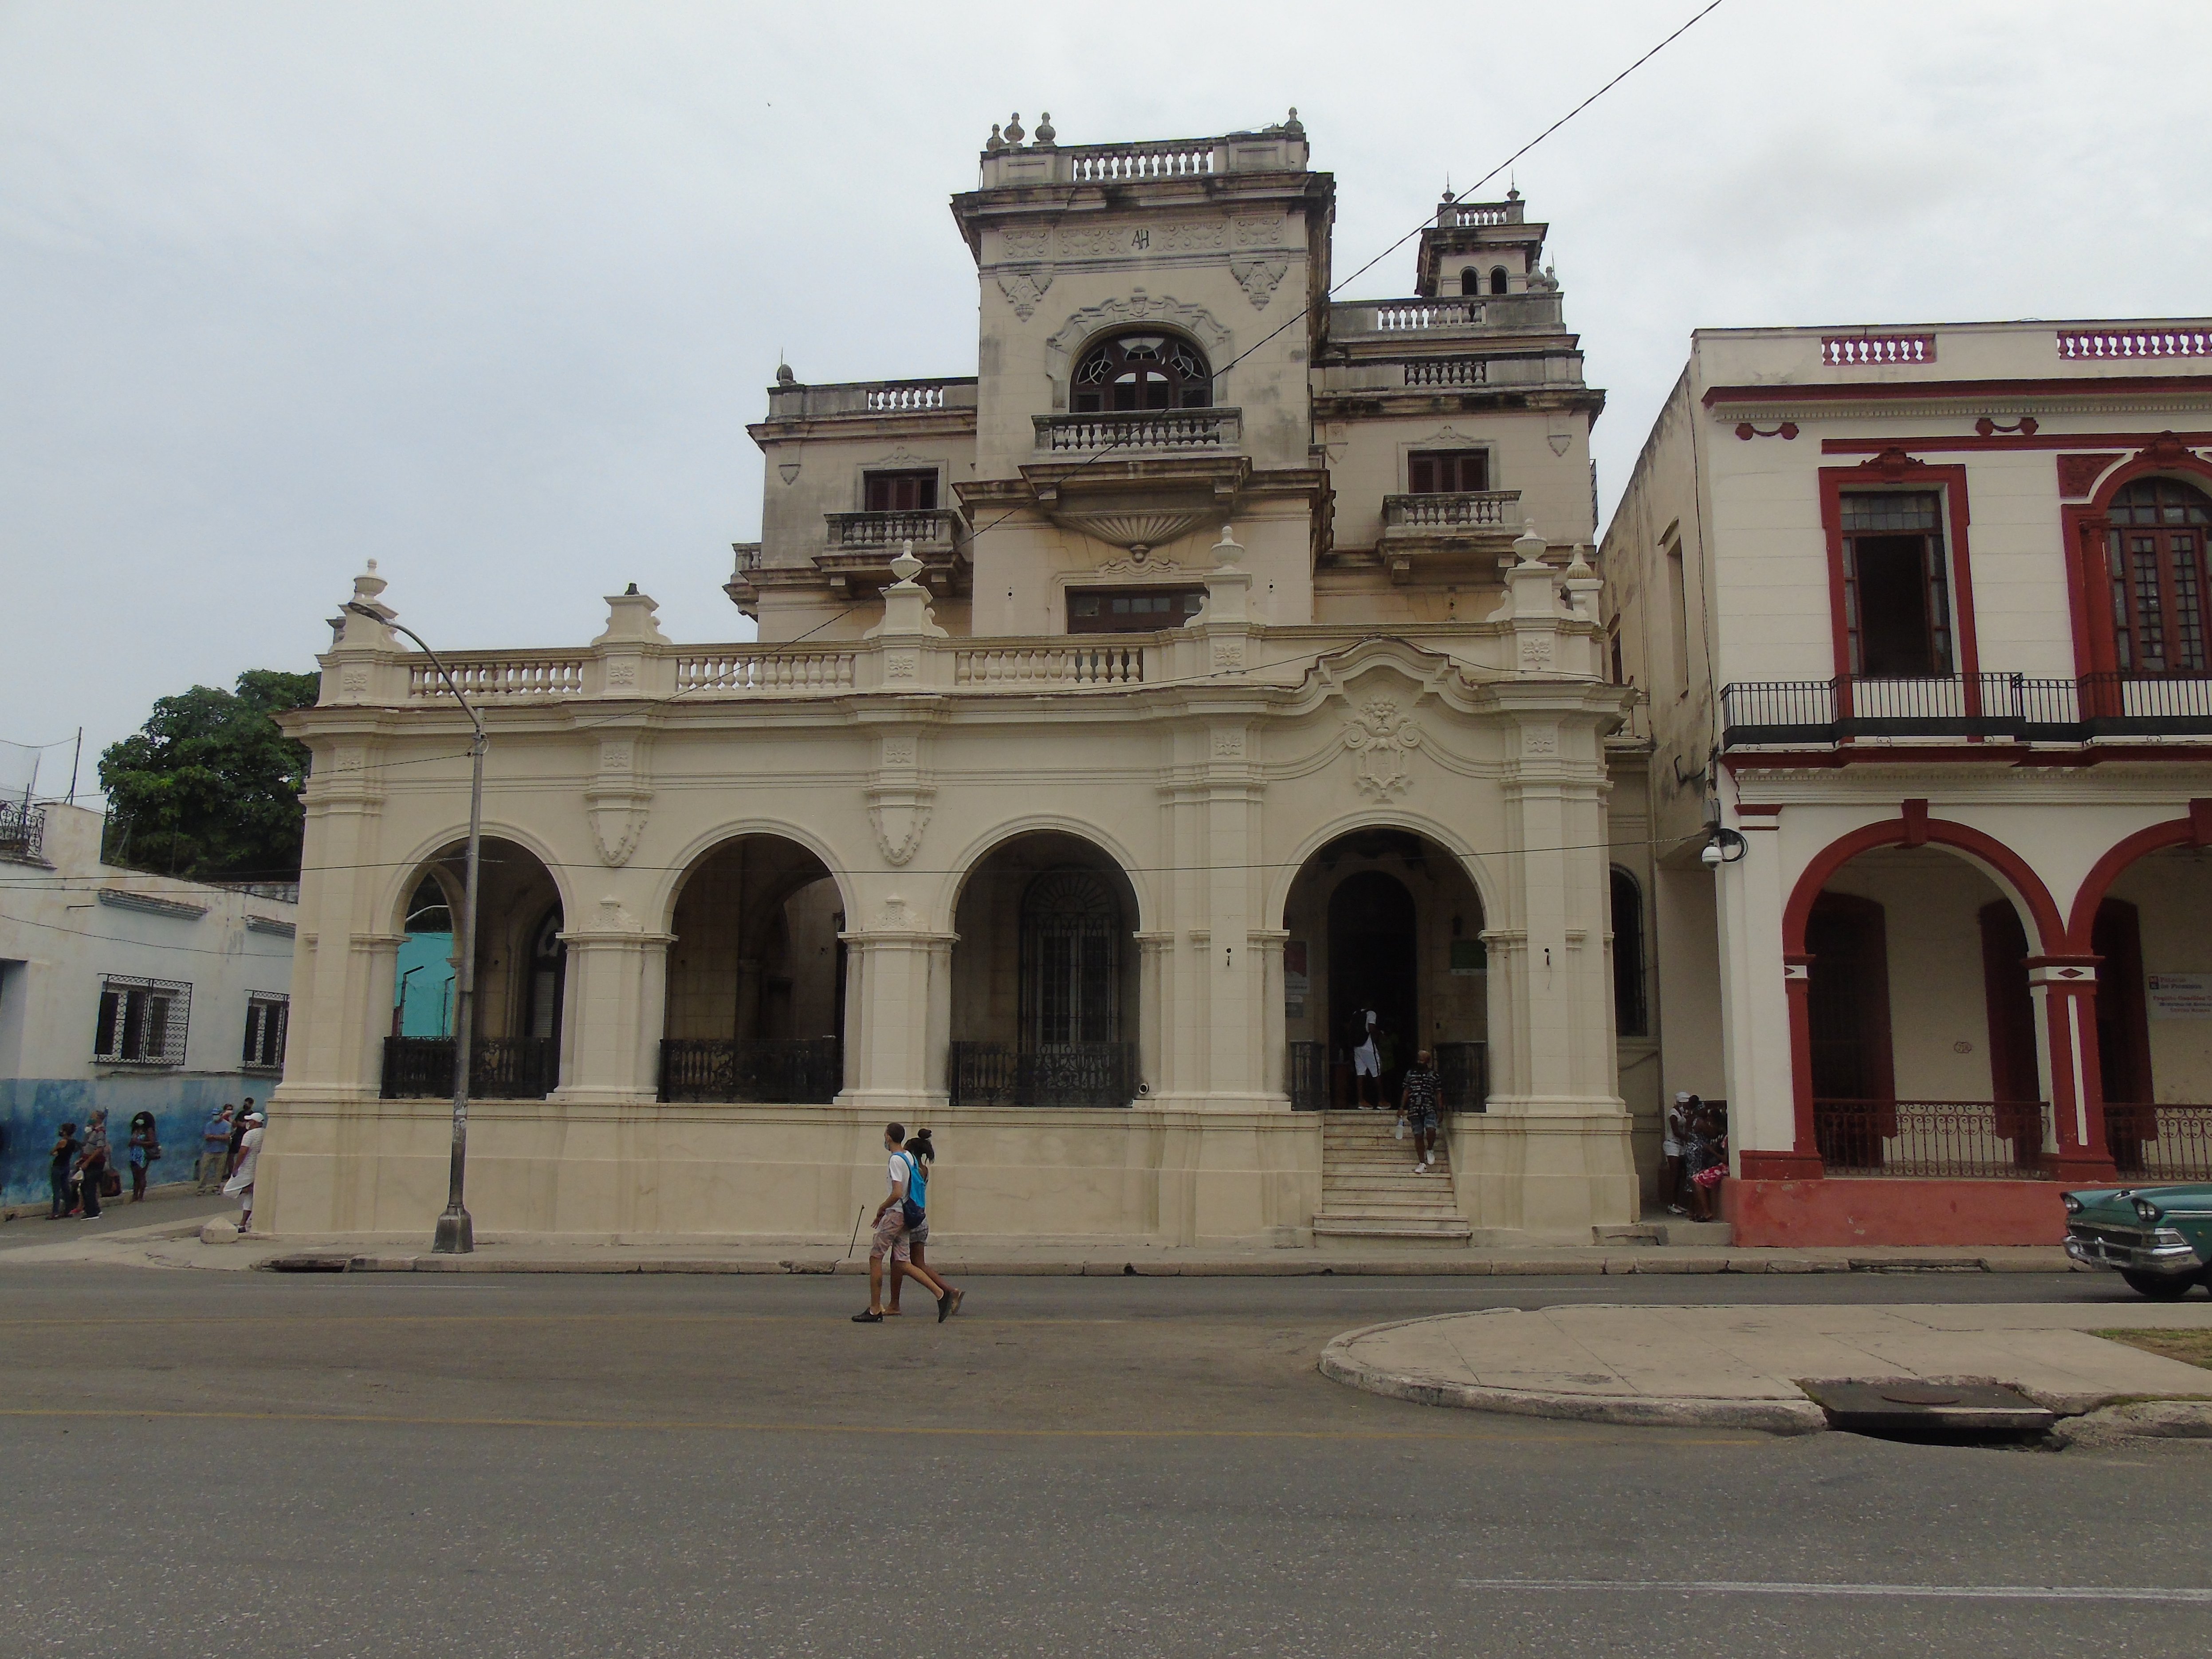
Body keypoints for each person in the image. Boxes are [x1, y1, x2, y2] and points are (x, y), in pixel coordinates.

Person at [853, 1120, 951, 1324]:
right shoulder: (910, 1158)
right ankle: (941, 1294)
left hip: (895, 1215)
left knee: (875, 1257)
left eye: (885, 1135)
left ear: (889, 1137)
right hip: (907, 1216)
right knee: (903, 1262)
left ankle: (874, 1309)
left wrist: (882, 1208)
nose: (884, 1138)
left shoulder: (895, 1160)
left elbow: (897, 1192)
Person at [887, 1129, 962, 1320]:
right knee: (918, 1263)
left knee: (899, 1262)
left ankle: (895, 1303)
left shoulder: (911, 1169)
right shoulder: (924, 1169)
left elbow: (899, 1193)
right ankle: (950, 1290)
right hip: (921, 1219)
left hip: (908, 1220)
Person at [1401, 1049, 1442, 1173]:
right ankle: (1422, 1163)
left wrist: (1440, 1110)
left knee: (1431, 1130)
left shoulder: (1434, 1076)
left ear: (1428, 1062)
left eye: (1422, 1060)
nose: (1419, 1062)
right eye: (1418, 1059)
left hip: (1429, 1107)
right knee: (1418, 1135)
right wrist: (1402, 1107)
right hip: (1414, 1108)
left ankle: (1430, 1148)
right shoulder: (1410, 1074)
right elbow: (1406, 1091)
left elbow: (1438, 1093)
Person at [224, 1111, 265, 1233]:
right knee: (249, 1200)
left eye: (250, 1121)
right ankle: (243, 1225)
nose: (248, 1123)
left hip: (247, 1168)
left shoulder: (249, 1135)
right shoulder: (266, 1133)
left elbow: (243, 1152)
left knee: (228, 1190)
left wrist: (236, 1167)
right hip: (259, 1168)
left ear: (254, 1122)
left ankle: (249, 1188)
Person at [1662, 1093, 1693, 1217]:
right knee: (1674, 1174)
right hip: (1672, 1145)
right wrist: (1688, 1138)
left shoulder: (1683, 1113)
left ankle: (1677, 1203)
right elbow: (1675, 1131)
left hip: (1681, 1146)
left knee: (1680, 1174)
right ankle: (1671, 1204)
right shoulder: (1673, 1113)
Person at [76, 1109, 110, 1219]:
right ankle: (95, 1209)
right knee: (86, 1186)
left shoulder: (100, 1132)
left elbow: (99, 1149)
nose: (90, 1118)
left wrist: (87, 1161)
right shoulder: (94, 1131)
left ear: (98, 1119)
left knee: (89, 1187)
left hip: (95, 1164)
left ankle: (92, 1213)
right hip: (90, 1161)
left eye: (93, 1117)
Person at [48, 1122, 81, 1220]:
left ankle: (55, 1212)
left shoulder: (62, 1142)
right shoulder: (73, 1142)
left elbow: (52, 1152)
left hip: (58, 1167)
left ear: (65, 1132)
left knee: (57, 1190)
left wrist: (56, 1152)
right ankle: (68, 1210)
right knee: (66, 1189)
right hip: (66, 1166)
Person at [126, 1110, 160, 1202]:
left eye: (142, 1119)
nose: (139, 1120)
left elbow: (152, 1142)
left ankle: (141, 1196)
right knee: (135, 1176)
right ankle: (135, 1195)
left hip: (143, 1154)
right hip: (134, 1154)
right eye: (139, 1118)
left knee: (141, 1175)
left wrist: (138, 1142)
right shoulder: (136, 1130)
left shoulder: (148, 1130)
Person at [199, 1105, 235, 1193]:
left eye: (217, 1115)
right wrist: (220, 1137)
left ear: (221, 1115)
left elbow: (227, 1137)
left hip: (222, 1150)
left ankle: (216, 1187)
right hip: (209, 1150)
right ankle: (201, 1188)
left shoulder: (227, 1125)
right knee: (204, 1169)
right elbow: (207, 1137)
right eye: (214, 1115)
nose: (215, 1116)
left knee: (219, 1171)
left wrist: (214, 1137)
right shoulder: (209, 1125)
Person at [1352, 1008, 1383, 1109]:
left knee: (1360, 1074)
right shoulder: (1371, 1013)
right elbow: (1371, 1028)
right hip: (1368, 1047)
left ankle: (1361, 1101)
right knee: (1377, 1073)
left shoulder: (1355, 1013)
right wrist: (1380, 1034)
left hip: (1357, 1047)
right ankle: (1382, 1101)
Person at [225, 1097, 255, 1178]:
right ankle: (231, 1172)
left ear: (251, 1104)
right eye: (245, 1103)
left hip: (245, 1137)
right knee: (231, 1155)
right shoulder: (241, 1113)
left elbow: (245, 1125)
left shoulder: (252, 1115)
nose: (245, 1105)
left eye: (247, 1104)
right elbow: (235, 1124)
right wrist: (239, 1123)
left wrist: (239, 1123)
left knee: (243, 1155)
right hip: (237, 1136)